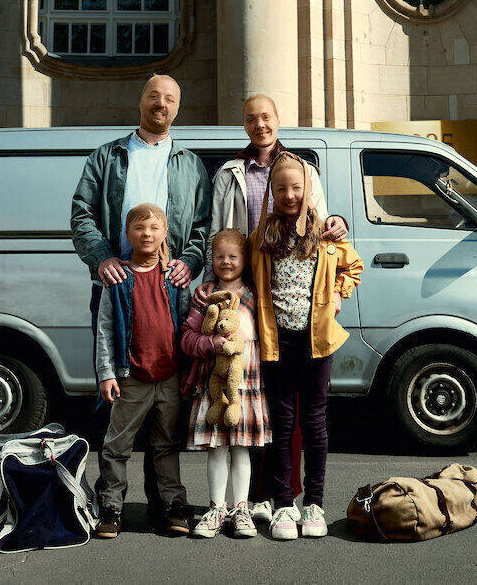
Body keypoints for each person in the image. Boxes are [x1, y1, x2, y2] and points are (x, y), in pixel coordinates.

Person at [193, 93, 348, 522]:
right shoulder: (230, 172)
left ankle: (291, 498)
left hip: (295, 305)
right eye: (251, 118)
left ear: (278, 120)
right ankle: (260, 497)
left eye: (266, 117)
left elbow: (329, 230)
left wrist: (336, 290)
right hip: (248, 292)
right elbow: (218, 228)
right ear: (244, 124)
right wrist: (221, 276)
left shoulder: (304, 169)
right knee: (257, 400)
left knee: (296, 412)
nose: (260, 124)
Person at [70, 73, 211, 534]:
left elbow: (203, 228)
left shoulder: (190, 164)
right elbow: (81, 214)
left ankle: (165, 505)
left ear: (178, 107)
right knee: (117, 398)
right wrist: (101, 258)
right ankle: (110, 503)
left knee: (167, 418)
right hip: (119, 286)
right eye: (154, 95)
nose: (161, 104)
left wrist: (190, 262)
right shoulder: (107, 156)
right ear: (141, 101)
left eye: (170, 98)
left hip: (169, 291)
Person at [249, 152, 364, 540]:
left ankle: (314, 503)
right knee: (282, 424)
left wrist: (338, 295)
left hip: (318, 344)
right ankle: (284, 504)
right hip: (277, 344)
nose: (289, 194)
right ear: (272, 191)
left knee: (314, 422)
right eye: (281, 188)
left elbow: (354, 267)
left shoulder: (327, 235)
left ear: (308, 189)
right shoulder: (262, 237)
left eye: (296, 187)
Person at [92, 204, 189, 539]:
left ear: (164, 233)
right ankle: (110, 507)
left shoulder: (175, 277)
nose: (147, 234)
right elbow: (105, 328)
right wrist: (106, 373)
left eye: (154, 228)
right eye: (139, 228)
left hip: (170, 377)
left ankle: (172, 506)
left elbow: (189, 324)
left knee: (166, 445)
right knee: (117, 446)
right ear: (128, 234)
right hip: (130, 377)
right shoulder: (117, 279)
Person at [179, 229, 271, 539]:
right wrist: (211, 344)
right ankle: (216, 507)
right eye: (219, 256)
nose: (226, 262)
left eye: (233, 256)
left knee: (241, 447)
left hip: (247, 382)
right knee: (216, 447)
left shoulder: (255, 294)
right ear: (211, 259)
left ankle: (240, 508)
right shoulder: (205, 294)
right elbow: (187, 338)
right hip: (213, 385)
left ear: (245, 260)